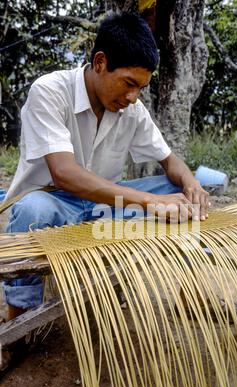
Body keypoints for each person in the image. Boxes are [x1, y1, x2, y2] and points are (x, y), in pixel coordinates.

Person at [2, 12, 209, 323]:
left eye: (140, 87)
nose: (132, 96)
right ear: (100, 62)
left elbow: (169, 160)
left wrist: (190, 182)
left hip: (106, 208)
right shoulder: (50, 91)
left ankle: (188, 296)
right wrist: (151, 201)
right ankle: (19, 319)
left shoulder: (132, 110)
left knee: (178, 194)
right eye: (128, 83)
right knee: (34, 212)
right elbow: (64, 173)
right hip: (55, 202)